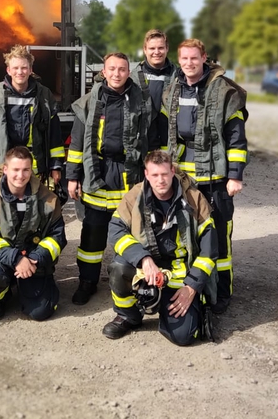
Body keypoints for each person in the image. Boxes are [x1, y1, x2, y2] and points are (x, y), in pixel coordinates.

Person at [160, 38, 248, 314]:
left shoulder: (224, 92)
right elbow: (168, 135)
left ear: (204, 58)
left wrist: (235, 176)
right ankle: (194, 286)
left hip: (215, 178)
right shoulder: (173, 89)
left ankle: (222, 293)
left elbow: (236, 139)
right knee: (187, 233)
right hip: (184, 177)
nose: (189, 63)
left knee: (219, 235)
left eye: (194, 58)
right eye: (184, 58)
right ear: (179, 60)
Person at [103, 150, 217, 345]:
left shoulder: (194, 198)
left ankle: (173, 306)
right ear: (146, 174)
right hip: (147, 268)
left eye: (164, 174)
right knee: (119, 267)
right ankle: (128, 315)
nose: (160, 180)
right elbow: (115, 230)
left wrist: (191, 287)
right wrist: (143, 259)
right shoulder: (135, 196)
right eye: (155, 175)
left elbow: (209, 251)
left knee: (183, 336)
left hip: (180, 275)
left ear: (172, 171)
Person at [66, 52, 150, 305]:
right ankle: (87, 282)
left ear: (128, 72)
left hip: (128, 175)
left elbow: (150, 140)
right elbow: (77, 143)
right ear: (103, 72)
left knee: (133, 232)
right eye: (111, 69)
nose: (116, 73)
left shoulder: (140, 101)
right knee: (92, 234)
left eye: (122, 69)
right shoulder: (88, 102)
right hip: (97, 174)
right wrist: (73, 177)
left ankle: (130, 280)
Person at [0, 146, 67, 321]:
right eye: (15, 170)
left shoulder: (47, 198)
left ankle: (33, 285)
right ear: (5, 169)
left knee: (40, 312)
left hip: (33, 260)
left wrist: (35, 258)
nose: (20, 175)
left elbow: (57, 237)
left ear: (31, 171)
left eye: (25, 170)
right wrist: (16, 259)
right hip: (2, 258)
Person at [0, 45, 65, 189]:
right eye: (15, 68)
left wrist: (55, 165)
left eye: (24, 68)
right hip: (4, 167)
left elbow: (54, 134)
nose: (20, 72)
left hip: (35, 168)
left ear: (31, 70)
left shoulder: (44, 95)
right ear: (8, 70)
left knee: (35, 202)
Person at [129, 29, 176, 150]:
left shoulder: (178, 76)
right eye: (152, 48)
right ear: (145, 50)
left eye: (160, 48)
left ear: (167, 48)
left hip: (171, 144)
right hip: (142, 145)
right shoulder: (133, 78)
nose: (156, 52)